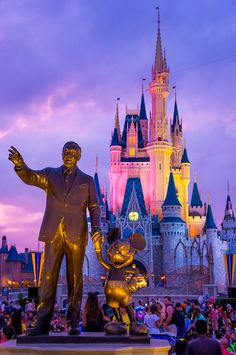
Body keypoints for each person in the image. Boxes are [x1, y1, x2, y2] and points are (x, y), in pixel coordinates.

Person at [8, 142, 102, 335]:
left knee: (75, 278)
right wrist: (20, 165)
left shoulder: (87, 180)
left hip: (77, 234)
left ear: (78, 156)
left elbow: (94, 206)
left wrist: (97, 227)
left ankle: (74, 322)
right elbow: (31, 177)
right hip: (53, 233)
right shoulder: (51, 174)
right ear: (61, 154)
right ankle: (42, 323)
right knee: (48, 276)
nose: (68, 155)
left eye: (72, 153)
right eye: (66, 152)